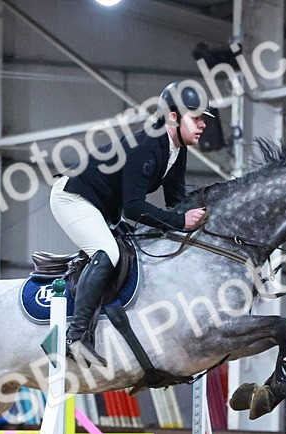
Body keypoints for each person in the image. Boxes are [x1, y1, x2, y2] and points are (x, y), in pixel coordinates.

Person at [50, 82, 213, 366]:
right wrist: (180, 220)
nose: (203, 125)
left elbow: (176, 202)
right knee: (107, 252)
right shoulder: (146, 146)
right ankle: (75, 337)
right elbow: (134, 209)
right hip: (72, 198)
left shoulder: (177, 149)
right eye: (196, 118)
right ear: (173, 116)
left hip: (101, 206)